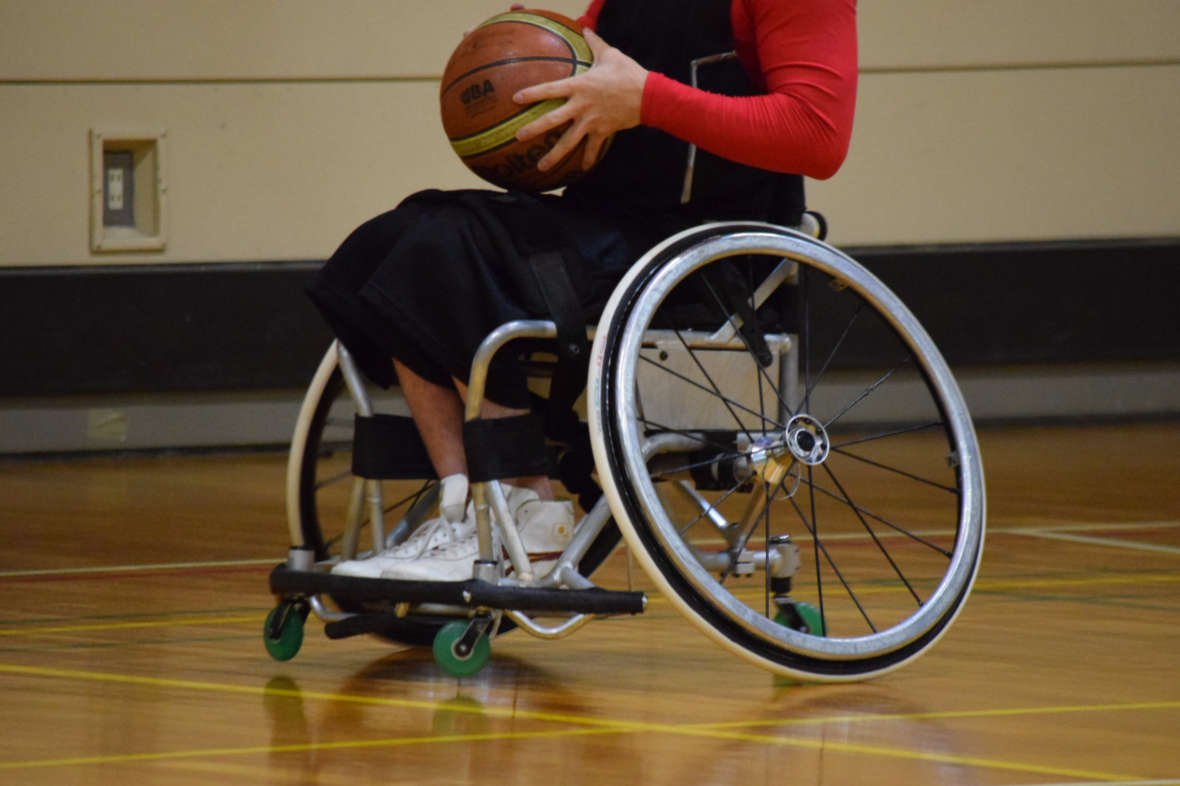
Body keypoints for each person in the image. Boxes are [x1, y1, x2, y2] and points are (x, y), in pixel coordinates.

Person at [311, 0, 858, 581]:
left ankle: (529, 507)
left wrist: (648, 99)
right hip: (606, 233)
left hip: (709, 264)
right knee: (399, 236)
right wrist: (517, 54)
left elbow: (818, 136)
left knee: (448, 247)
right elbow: (594, 69)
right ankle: (467, 515)